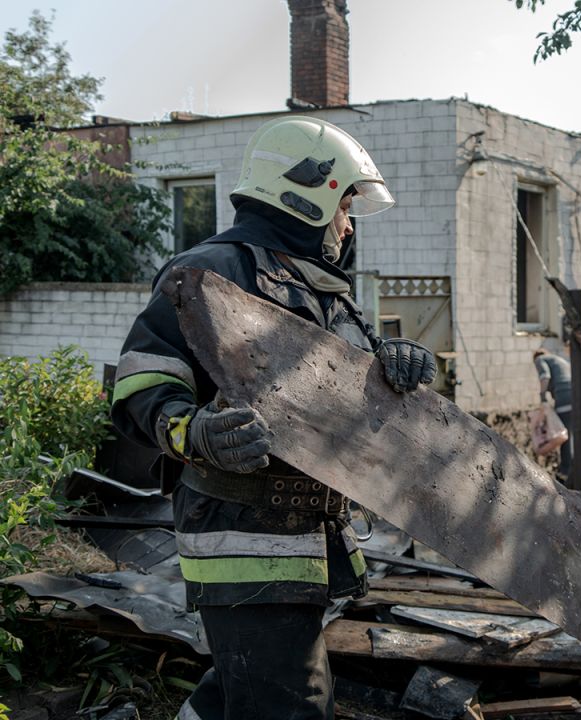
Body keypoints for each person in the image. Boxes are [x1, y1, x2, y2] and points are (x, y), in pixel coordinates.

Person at [110, 116, 436, 720]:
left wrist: (395, 369)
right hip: (245, 534)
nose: (347, 224)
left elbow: (333, 404)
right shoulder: (212, 271)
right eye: (343, 206)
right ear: (304, 194)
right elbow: (143, 380)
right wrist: (194, 432)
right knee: (291, 705)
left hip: (304, 534)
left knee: (243, 692)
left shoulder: (324, 292)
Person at [533, 348, 573, 479]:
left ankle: (566, 471)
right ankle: (570, 468)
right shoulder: (560, 360)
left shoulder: (540, 359)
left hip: (563, 396)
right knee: (571, 434)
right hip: (575, 396)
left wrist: (543, 396)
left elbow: (545, 376)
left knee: (564, 435)